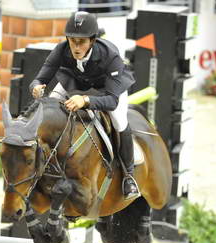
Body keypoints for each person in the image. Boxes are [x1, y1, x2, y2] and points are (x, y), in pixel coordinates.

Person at [29, 11, 139, 200]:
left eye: (81, 42)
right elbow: (40, 78)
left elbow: (111, 101)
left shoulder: (110, 56)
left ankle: (128, 176)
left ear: (93, 41)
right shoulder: (61, 49)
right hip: (75, 82)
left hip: (108, 89)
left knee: (119, 121)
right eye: (72, 40)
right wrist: (36, 87)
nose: (76, 47)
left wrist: (86, 100)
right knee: (47, 109)